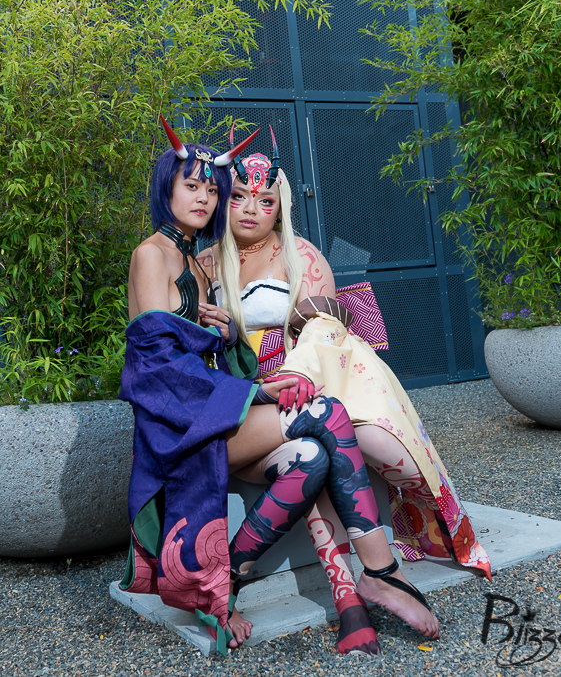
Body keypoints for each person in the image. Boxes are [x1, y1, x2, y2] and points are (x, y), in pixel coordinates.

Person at [118, 117, 436, 658]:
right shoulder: (153, 254)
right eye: (190, 186)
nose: (204, 198)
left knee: (311, 457)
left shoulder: (196, 260)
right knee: (326, 413)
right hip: (181, 428)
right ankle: (381, 572)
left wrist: (222, 335)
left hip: (215, 414)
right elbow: (157, 370)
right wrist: (255, 394)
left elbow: (199, 347)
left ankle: (231, 579)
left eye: (209, 189)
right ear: (164, 188)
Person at [197, 128, 491, 656]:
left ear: (282, 207)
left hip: (303, 387)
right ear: (223, 199)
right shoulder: (202, 266)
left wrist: (293, 374)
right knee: (315, 427)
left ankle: (351, 602)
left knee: (315, 445)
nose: (251, 209)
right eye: (238, 196)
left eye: (266, 200)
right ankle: (374, 577)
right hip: (237, 408)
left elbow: (324, 338)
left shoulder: (303, 258)